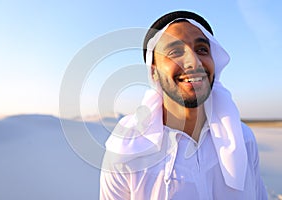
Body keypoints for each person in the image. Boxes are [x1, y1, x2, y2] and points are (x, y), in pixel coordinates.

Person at [99, 10, 268, 199]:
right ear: (154, 72)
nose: (193, 61)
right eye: (175, 52)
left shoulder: (242, 139)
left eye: (202, 50)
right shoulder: (127, 150)